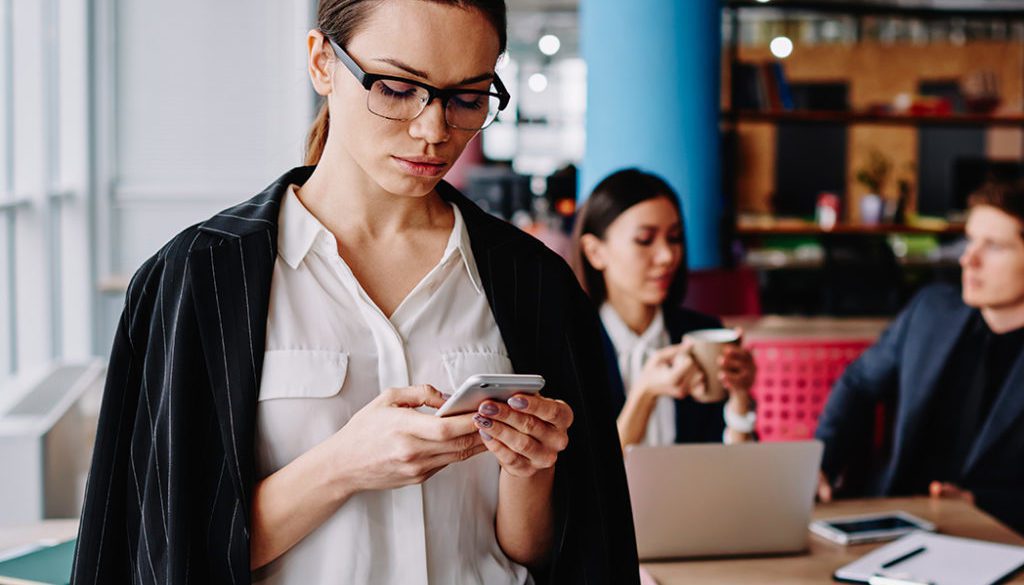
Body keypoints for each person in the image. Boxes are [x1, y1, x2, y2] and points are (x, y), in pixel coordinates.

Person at [70, 2, 639, 584]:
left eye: (468, 98)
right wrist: (343, 465)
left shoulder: (536, 283)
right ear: (322, 62)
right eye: (395, 88)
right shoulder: (196, 278)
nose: (433, 131)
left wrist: (530, 469)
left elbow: (556, 556)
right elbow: (163, 550)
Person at [816, 181, 1024, 535]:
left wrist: (979, 502)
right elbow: (860, 383)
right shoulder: (931, 311)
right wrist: (821, 463)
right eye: (971, 240)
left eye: (994, 247)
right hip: (894, 521)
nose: (968, 259)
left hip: (1001, 536)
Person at [570, 169, 758, 448]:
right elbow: (582, 479)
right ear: (595, 252)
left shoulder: (701, 336)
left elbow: (737, 471)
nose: (668, 256)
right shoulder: (569, 345)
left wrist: (740, 397)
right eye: (645, 239)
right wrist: (645, 394)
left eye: (674, 238)